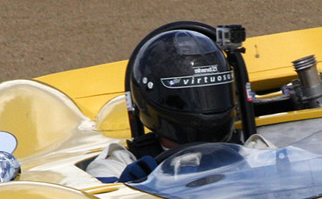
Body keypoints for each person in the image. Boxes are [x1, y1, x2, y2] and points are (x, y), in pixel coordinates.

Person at [87, 24, 239, 183]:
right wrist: (131, 187)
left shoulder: (255, 150)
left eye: (212, 94)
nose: (206, 104)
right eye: (190, 97)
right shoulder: (119, 164)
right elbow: (99, 197)